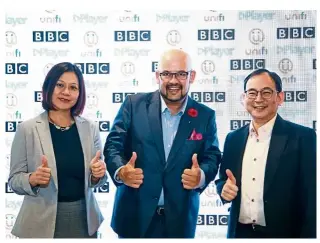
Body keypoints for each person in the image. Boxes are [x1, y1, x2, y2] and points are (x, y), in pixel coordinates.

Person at [104, 49, 221, 238]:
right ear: (158, 76)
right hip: (134, 217)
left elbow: (212, 156)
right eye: (167, 74)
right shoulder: (133, 105)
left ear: (191, 76)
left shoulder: (205, 116)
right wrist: (121, 171)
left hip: (180, 221)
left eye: (181, 74)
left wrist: (200, 176)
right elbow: (113, 146)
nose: (173, 81)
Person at [8, 62, 107, 238]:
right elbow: (14, 181)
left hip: (84, 220)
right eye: (60, 85)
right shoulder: (27, 129)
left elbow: (98, 180)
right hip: (39, 222)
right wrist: (32, 178)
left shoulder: (90, 128)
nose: (66, 92)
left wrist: (97, 175)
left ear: (80, 93)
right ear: (49, 87)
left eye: (73, 87)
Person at [215, 68, 316, 238]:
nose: (259, 99)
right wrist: (223, 190)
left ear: (280, 97)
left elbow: (312, 197)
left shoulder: (303, 137)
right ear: (244, 98)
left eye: (266, 92)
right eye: (252, 93)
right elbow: (223, 180)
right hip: (239, 233)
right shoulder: (233, 139)